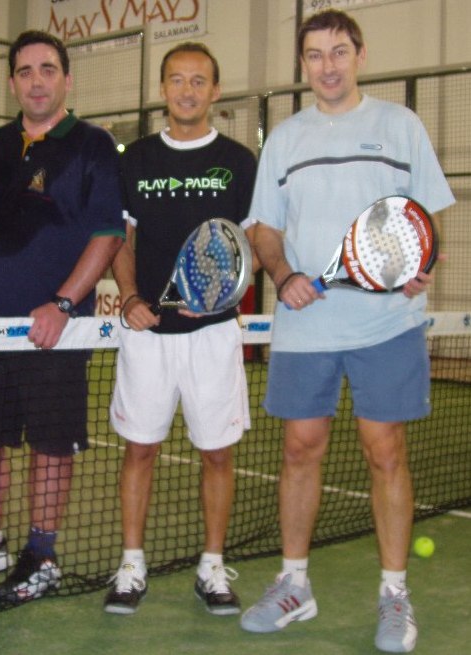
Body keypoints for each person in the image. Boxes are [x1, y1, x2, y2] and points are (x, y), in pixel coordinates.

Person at [238, 10, 455, 653]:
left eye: (338, 51)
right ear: (302, 64)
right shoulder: (284, 139)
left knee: (383, 450)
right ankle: (294, 585)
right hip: (307, 324)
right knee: (300, 450)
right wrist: (282, 271)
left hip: (387, 323)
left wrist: (423, 268)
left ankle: (394, 594)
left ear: (360, 54)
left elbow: (425, 219)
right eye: (314, 54)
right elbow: (264, 228)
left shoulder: (399, 125)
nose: (327, 65)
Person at [0, 30, 124, 603]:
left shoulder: (94, 145)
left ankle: (41, 553)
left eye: (47, 69)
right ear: (12, 81)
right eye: (24, 71)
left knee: (49, 445)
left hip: (55, 330)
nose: (35, 80)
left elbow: (108, 235)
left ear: (66, 78)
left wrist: (63, 304)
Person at [103, 42, 258, 616]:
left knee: (217, 454)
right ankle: (131, 565)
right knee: (140, 449)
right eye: (177, 80)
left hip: (214, 335)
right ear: (163, 89)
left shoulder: (241, 162)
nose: (187, 90)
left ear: (215, 92)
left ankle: (212, 567)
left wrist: (222, 293)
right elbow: (122, 238)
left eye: (199, 81)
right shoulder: (136, 159)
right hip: (146, 332)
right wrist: (132, 297)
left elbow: (253, 243)